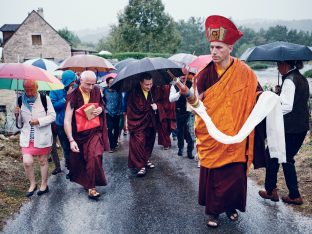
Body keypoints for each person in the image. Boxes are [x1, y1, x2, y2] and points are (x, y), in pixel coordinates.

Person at [195, 15, 261, 228]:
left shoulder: (246, 73)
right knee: (214, 175)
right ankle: (213, 212)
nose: (213, 52)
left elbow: (256, 95)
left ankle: (231, 207)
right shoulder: (204, 75)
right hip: (214, 135)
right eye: (211, 47)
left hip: (237, 135)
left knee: (234, 176)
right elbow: (198, 106)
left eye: (219, 47)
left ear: (230, 48)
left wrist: (268, 100)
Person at [259, 60, 310, 205]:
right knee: (279, 156)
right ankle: (273, 191)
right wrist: (279, 93)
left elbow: (287, 106)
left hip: (290, 128)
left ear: (286, 65)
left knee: (276, 155)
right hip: (300, 126)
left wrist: (270, 109)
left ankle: (291, 195)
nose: (277, 67)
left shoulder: (289, 80)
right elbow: (296, 99)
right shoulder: (301, 78)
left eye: (278, 64)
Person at [64, 71, 109, 199]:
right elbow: (67, 119)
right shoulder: (73, 95)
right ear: (80, 81)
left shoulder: (96, 90)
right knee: (83, 160)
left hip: (94, 131)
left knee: (94, 156)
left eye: (93, 84)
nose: (90, 87)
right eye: (87, 84)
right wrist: (71, 140)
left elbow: (101, 104)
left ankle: (92, 187)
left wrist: (100, 109)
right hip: (79, 133)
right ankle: (88, 183)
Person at [14, 80, 56, 197]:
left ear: (37, 87)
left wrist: (39, 121)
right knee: (27, 162)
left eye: (32, 89)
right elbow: (19, 124)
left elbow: (53, 116)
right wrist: (16, 114)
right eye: (27, 90)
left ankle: (44, 184)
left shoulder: (44, 98)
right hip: (27, 137)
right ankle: (33, 184)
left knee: (43, 161)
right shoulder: (19, 100)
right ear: (23, 89)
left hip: (42, 135)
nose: (29, 92)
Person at [127, 73, 160, 177]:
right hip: (138, 123)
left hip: (150, 122)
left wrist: (157, 106)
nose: (149, 86)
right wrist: (149, 107)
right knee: (139, 143)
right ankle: (140, 166)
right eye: (146, 84)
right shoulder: (134, 93)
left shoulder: (153, 90)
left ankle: (145, 160)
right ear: (141, 83)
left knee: (149, 142)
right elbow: (132, 109)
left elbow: (160, 102)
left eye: (151, 84)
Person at [49, 70, 77, 176]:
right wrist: (66, 97)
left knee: (76, 144)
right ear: (66, 81)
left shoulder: (76, 88)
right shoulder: (55, 90)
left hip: (75, 122)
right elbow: (53, 106)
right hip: (61, 123)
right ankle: (71, 168)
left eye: (74, 80)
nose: (74, 83)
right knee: (66, 146)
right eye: (72, 81)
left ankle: (76, 166)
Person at [169, 74, 194, 159]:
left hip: (189, 111)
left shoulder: (191, 84)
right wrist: (179, 92)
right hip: (179, 112)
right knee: (180, 131)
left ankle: (190, 150)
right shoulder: (174, 85)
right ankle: (180, 148)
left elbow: (194, 97)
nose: (184, 78)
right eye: (182, 77)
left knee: (189, 131)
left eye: (185, 76)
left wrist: (188, 92)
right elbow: (171, 99)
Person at [103, 76, 122, 153]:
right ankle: (112, 146)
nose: (112, 84)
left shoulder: (118, 91)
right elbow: (103, 101)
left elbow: (120, 101)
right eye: (111, 83)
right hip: (108, 112)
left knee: (116, 129)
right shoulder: (104, 91)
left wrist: (120, 111)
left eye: (113, 82)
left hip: (117, 112)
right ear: (107, 84)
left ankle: (114, 142)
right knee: (109, 129)